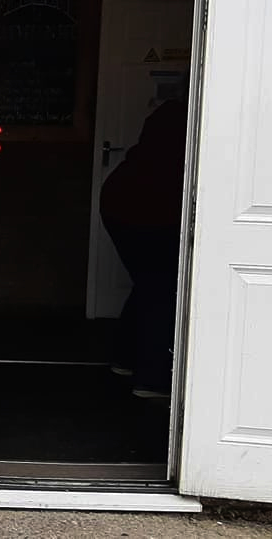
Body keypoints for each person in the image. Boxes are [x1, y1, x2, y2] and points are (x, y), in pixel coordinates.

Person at [99, 95, 188, 399]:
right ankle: (150, 379)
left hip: (123, 200)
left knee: (149, 285)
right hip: (145, 207)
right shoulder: (188, 113)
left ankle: (125, 359)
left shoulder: (171, 110)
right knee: (160, 289)